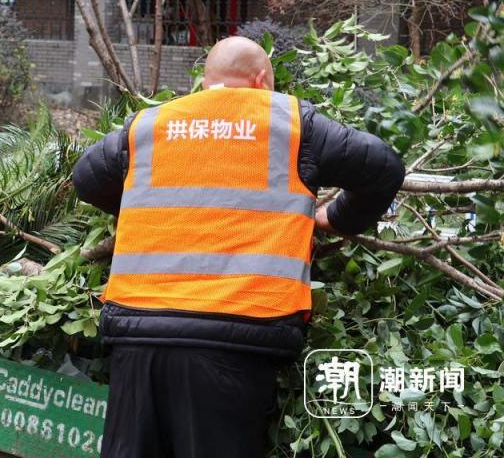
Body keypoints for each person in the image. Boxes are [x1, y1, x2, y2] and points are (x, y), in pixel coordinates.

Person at [72, 36, 405, 458]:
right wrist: (334, 219)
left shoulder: (151, 124)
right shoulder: (290, 122)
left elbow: (85, 177)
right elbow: (383, 167)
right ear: (262, 79)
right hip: (233, 344)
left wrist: (149, 211)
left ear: (204, 82)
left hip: (138, 337)